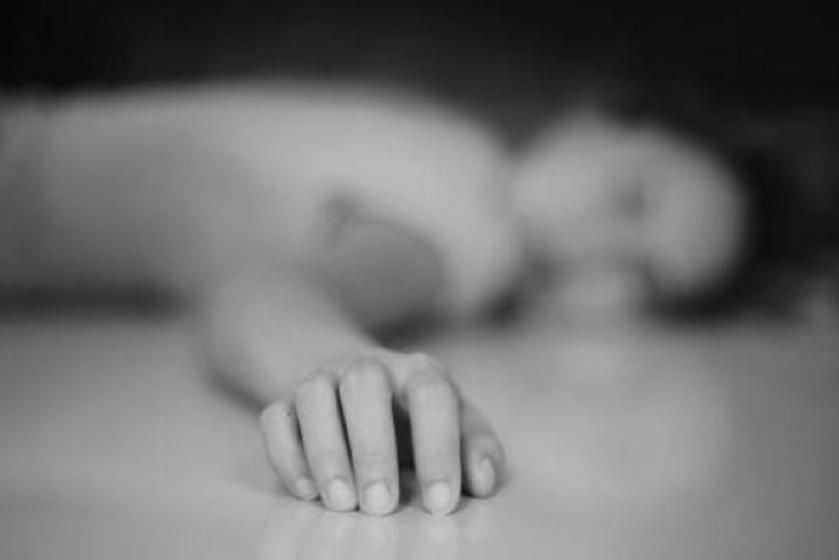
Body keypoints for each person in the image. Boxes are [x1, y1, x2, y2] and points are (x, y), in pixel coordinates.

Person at [0, 79, 750, 515]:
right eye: (630, 197)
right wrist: (336, 364)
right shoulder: (475, 230)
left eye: (642, 276)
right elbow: (262, 288)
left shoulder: (446, 141)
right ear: (593, 119)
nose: (598, 248)